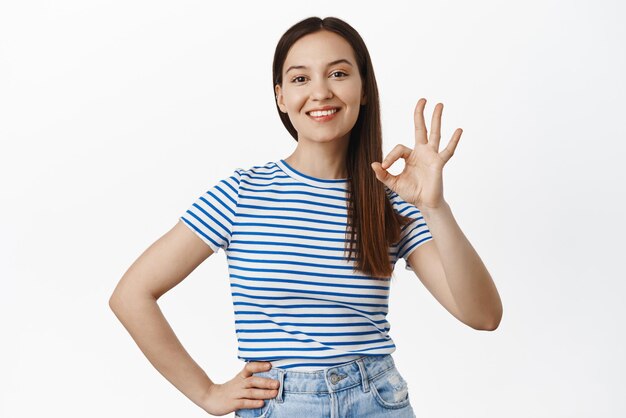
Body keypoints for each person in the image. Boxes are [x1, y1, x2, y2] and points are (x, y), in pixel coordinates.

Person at [109, 16, 502, 418]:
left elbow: (483, 315)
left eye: (338, 73)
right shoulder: (242, 193)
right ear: (280, 97)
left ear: (364, 89)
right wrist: (207, 393)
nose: (320, 92)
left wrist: (435, 208)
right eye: (300, 79)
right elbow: (131, 295)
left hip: (377, 401)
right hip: (279, 404)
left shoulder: (388, 200)